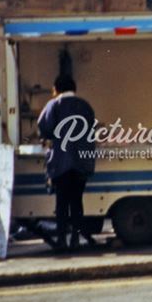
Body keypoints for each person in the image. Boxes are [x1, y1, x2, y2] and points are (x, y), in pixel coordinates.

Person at [37, 75, 96, 250]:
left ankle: (62, 239)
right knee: (77, 202)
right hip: (81, 163)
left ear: (56, 88)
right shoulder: (85, 106)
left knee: (61, 204)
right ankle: (76, 238)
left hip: (61, 163)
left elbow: (44, 128)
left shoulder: (53, 106)